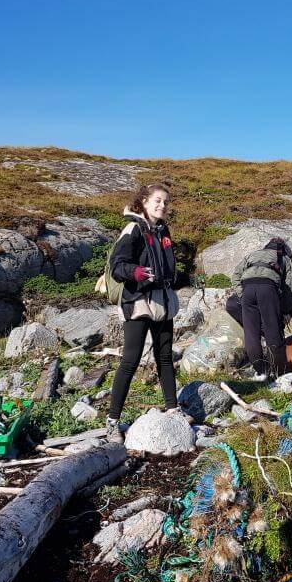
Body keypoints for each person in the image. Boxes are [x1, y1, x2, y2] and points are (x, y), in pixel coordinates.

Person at [105, 183, 181, 443]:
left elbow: (165, 267)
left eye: (166, 202)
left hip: (162, 302)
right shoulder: (133, 229)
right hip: (137, 301)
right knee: (130, 360)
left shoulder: (162, 231)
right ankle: (112, 422)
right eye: (157, 200)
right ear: (144, 201)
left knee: (165, 357)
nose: (162, 205)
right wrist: (134, 272)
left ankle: (173, 410)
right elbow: (117, 266)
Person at [231, 237, 292, 378]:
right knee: (273, 331)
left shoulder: (252, 254)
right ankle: (279, 373)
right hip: (268, 288)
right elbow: (288, 287)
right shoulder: (284, 258)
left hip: (247, 289)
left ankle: (261, 371)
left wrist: (242, 295)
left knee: (251, 333)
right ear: (284, 250)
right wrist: (285, 310)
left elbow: (235, 276)